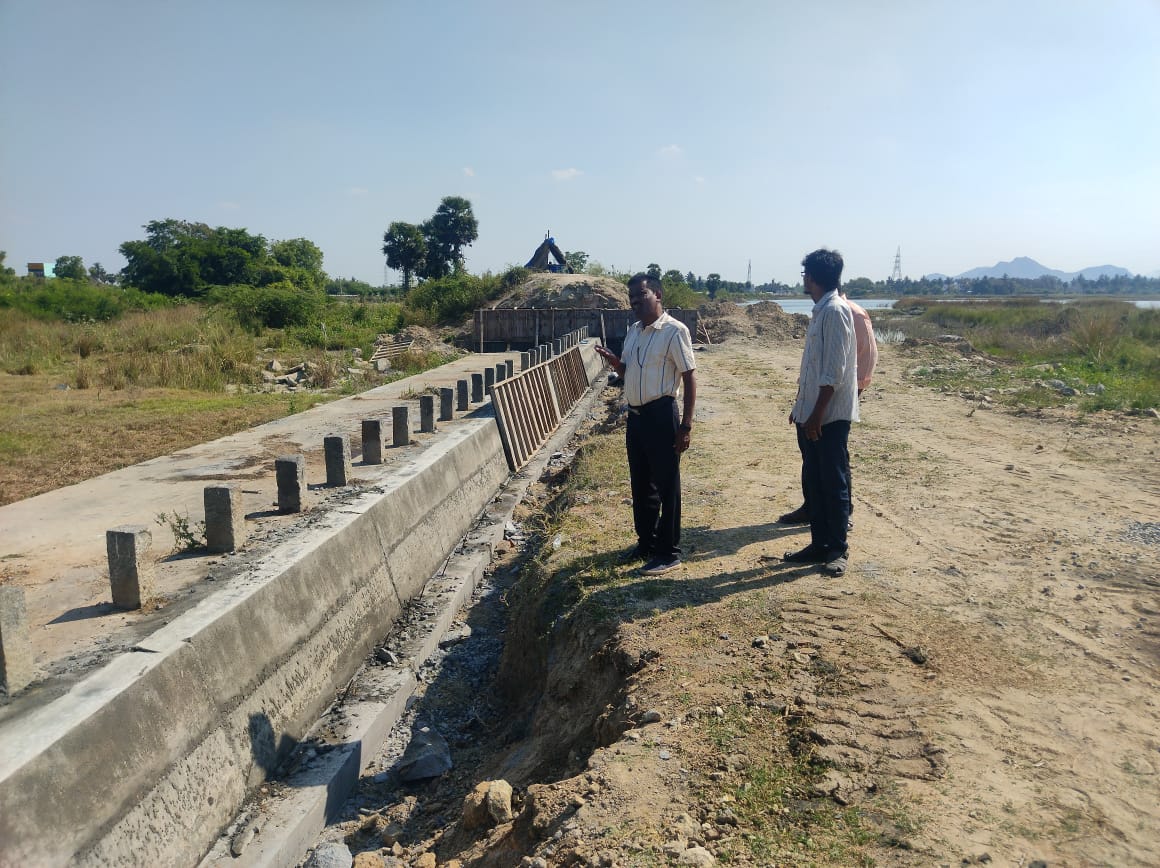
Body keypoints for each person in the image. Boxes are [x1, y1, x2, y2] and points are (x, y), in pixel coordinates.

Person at [595, 274, 697, 575]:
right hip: (637, 416)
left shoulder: (674, 332)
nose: (636, 302)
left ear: (658, 294)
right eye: (632, 299)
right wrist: (615, 363)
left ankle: (669, 552)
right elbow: (628, 371)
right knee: (641, 485)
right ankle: (647, 543)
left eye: (642, 295)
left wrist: (686, 426)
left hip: (662, 414)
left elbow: (689, 376)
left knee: (667, 486)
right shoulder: (634, 332)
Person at [782, 249, 858, 576]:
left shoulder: (835, 311)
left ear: (811, 277)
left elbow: (833, 372)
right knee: (815, 481)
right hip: (811, 413)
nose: (804, 280)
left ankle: (837, 550)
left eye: (805, 275)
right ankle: (818, 544)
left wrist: (815, 415)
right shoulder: (821, 311)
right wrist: (801, 408)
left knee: (833, 482)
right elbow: (813, 370)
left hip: (829, 417)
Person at [778, 286, 877, 526]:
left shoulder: (851, 313)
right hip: (814, 399)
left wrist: (851, 395)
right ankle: (811, 507)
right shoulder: (822, 311)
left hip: (834, 400)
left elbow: (867, 358)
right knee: (812, 458)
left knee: (835, 461)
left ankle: (843, 515)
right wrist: (801, 401)